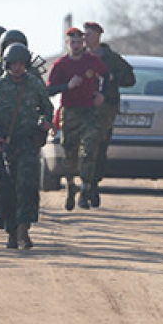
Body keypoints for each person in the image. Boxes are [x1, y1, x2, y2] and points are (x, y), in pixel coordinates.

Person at [0, 43, 54, 249]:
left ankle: (23, 229)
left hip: (28, 143)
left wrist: (44, 121)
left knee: (27, 186)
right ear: (7, 64)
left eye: (21, 63)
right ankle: (10, 231)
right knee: (5, 189)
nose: (18, 68)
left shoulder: (34, 84)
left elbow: (47, 108)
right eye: (14, 63)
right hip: (4, 145)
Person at [47, 26, 107, 210]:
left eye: (79, 42)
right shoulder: (61, 64)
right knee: (70, 154)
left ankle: (85, 190)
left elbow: (107, 76)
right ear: (67, 44)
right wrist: (67, 86)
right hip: (70, 113)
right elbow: (50, 89)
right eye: (72, 42)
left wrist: (102, 94)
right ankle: (70, 187)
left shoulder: (92, 60)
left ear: (83, 43)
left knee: (89, 149)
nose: (76, 45)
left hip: (89, 112)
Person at [81, 21, 136, 208]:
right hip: (82, 108)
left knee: (100, 147)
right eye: (84, 34)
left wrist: (113, 77)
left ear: (98, 36)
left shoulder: (112, 59)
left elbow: (130, 78)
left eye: (88, 34)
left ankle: (94, 184)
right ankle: (84, 185)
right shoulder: (80, 56)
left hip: (105, 109)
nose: (85, 38)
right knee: (85, 146)